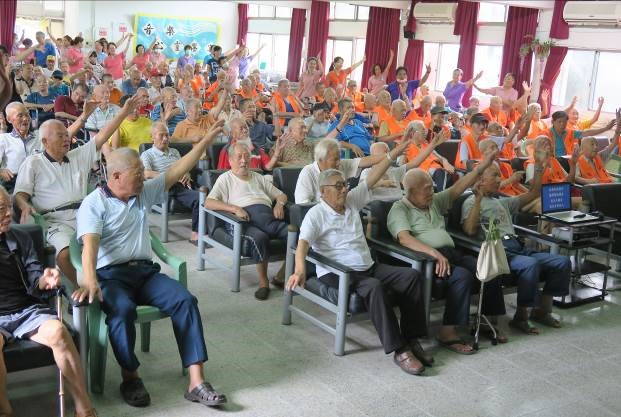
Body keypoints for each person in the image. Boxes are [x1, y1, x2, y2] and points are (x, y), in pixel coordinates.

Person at [72, 122, 227, 409]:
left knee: (185, 300)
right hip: (112, 276)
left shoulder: (143, 192)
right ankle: (130, 377)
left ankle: (196, 382)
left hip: (144, 272)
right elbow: (89, 247)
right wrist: (90, 280)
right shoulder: (94, 204)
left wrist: (206, 139)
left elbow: (177, 169)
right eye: (138, 173)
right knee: (121, 311)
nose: (144, 177)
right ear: (116, 176)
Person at [286, 138, 431, 375]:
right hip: (339, 272)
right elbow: (302, 244)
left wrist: (395, 151)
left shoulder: (352, 200)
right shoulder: (316, 214)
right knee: (374, 287)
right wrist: (300, 269)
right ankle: (400, 350)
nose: (344, 189)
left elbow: (375, 175)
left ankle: (413, 338)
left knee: (412, 276)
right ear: (323, 192)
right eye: (338, 186)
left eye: (344, 184)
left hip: (367, 265)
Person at [389, 150, 508, 350]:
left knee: (488, 267)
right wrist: (434, 253)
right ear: (410, 191)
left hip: (451, 254)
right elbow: (404, 238)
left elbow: (457, 188)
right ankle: (447, 332)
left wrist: (481, 167)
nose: (431, 192)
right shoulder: (400, 209)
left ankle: (485, 321)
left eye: (432, 188)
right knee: (461, 276)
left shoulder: (433, 201)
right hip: (427, 261)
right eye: (426, 189)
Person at [14, 98, 135, 284]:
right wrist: (24, 206)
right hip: (55, 220)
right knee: (64, 255)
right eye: (60, 136)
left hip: (86, 213)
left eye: (66, 135)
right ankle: (83, 290)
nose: (67, 139)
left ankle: (111, 284)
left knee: (119, 239)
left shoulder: (77, 155)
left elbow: (103, 135)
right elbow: (20, 194)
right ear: (45, 142)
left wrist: (124, 112)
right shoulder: (34, 163)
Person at [0, 186, 97, 417]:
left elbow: (35, 277)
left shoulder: (21, 237)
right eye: (0, 209)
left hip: (27, 309)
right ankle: (5, 411)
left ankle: (84, 407)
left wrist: (46, 279)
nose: (7, 214)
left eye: (8, 207)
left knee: (59, 332)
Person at [461, 150, 571, 335]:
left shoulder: (501, 202)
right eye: (495, 175)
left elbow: (534, 192)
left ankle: (541, 311)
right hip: (500, 251)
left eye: (499, 175)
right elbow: (470, 230)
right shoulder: (471, 202)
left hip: (518, 247)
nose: (500, 179)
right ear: (480, 180)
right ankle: (521, 316)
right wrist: (479, 199)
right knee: (531, 264)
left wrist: (538, 167)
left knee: (562, 262)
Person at [205, 142, 288, 299]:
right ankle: (264, 283)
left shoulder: (258, 177)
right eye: (239, 157)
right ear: (230, 160)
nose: (244, 160)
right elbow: (209, 202)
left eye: (247, 156)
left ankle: (280, 276)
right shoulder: (225, 179)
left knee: (295, 234)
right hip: (243, 220)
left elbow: (281, 195)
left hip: (266, 216)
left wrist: (280, 204)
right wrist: (235, 209)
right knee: (260, 237)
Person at [142, 121, 210, 243]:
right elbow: (147, 174)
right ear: (152, 137)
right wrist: (173, 176)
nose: (165, 138)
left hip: (184, 183)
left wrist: (186, 174)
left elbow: (184, 167)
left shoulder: (175, 152)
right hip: (168, 186)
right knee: (199, 199)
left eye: (167, 135)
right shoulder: (147, 155)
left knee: (211, 197)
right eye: (161, 135)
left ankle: (209, 229)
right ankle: (196, 233)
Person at [360, 131, 447, 201]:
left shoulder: (394, 170)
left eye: (387, 153)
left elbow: (416, 162)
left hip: (399, 205)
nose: (385, 156)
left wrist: (433, 145)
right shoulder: (366, 172)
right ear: (372, 157)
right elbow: (362, 188)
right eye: (381, 154)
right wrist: (381, 183)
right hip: (379, 205)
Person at [294, 137, 384, 204]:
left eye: (339, 159)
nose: (338, 163)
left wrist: (390, 155)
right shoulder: (308, 172)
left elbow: (364, 161)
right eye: (335, 160)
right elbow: (303, 205)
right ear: (321, 160)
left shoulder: (339, 165)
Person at [0, 102, 44, 191]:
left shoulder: (40, 134)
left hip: (39, 179)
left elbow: (66, 134)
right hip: (13, 182)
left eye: (27, 115)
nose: (25, 119)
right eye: (20, 116)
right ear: (9, 119)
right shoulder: (4, 139)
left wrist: (81, 118)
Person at [404, 121, 455, 191]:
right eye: (423, 129)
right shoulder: (406, 147)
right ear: (413, 133)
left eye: (425, 129)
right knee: (442, 174)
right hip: (423, 173)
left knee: (454, 174)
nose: (426, 132)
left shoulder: (425, 144)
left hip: (438, 172)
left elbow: (439, 157)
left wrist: (445, 162)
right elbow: (402, 167)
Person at [543, 110, 614, 157]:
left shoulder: (569, 132)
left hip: (569, 161)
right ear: (553, 122)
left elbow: (587, 133)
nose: (562, 124)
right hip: (551, 162)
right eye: (559, 122)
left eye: (565, 122)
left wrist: (606, 128)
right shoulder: (545, 134)